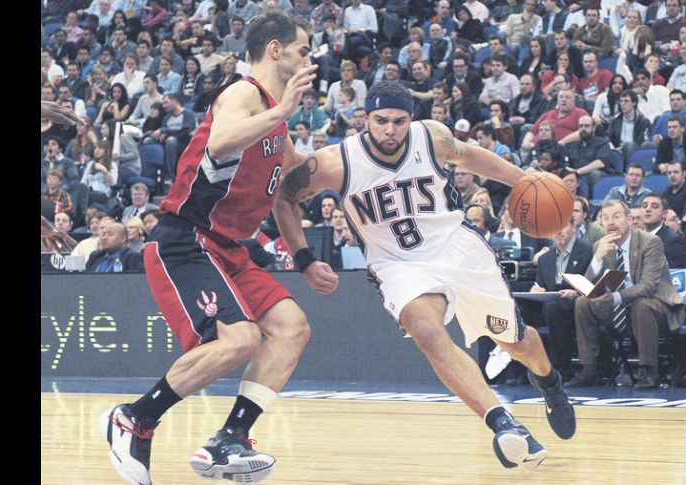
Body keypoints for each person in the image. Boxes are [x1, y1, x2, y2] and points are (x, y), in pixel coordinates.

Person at [273, 81, 577, 471]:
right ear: (365, 119)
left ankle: (549, 381)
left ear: (410, 119)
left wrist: (523, 180)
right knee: (425, 329)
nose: (390, 130)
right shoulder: (337, 161)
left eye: (399, 121)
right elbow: (285, 196)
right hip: (397, 264)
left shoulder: (432, 138)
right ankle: (505, 424)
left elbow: (470, 158)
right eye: (381, 121)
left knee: (516, 341)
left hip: (457, 248)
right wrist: (303, 259)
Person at [99, 12, 327, 485]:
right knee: (240, 340)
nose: (310, 60)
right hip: (186, 239)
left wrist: (304, 256)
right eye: (304, 50)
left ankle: (231, 439)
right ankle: (134, 419)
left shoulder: (276, 125)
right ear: (275, 50)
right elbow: (220, 143)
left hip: (229, 249)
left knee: (290, 327)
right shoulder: (244, 93)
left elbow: (295, 185)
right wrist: (282, 110)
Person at [566, 199, 686, 389]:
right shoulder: (601, 245)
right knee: (583, 303)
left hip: (658, 306)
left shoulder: (650, 242)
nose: (611, 222)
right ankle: (589, 369)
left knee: (642, 305)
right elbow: (587, 286)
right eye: (605, 218)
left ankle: (649, 372)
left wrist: (614, 297)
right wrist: (597, 258)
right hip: (620, 309)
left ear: (629, 219)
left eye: (616, 216)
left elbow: (648, 286)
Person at [529, 219, 593, 380]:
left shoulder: (588, 252)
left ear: (574, 228)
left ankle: (561, 367)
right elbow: (540, 284)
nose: (558, 231)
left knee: (553, 309)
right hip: (550, 302)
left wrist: (576, 292)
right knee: (520, 309)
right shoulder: (545, 258)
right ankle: (524, 367)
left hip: (576, 303)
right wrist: (536, 289)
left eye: (562, 226)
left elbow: (594, 283)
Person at [641, 194, 686, 268]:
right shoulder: (634, 237)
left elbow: (672, 274)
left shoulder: (673, 241)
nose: (648, 209)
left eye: (654, 207)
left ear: (664, 214)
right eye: (644, 206)